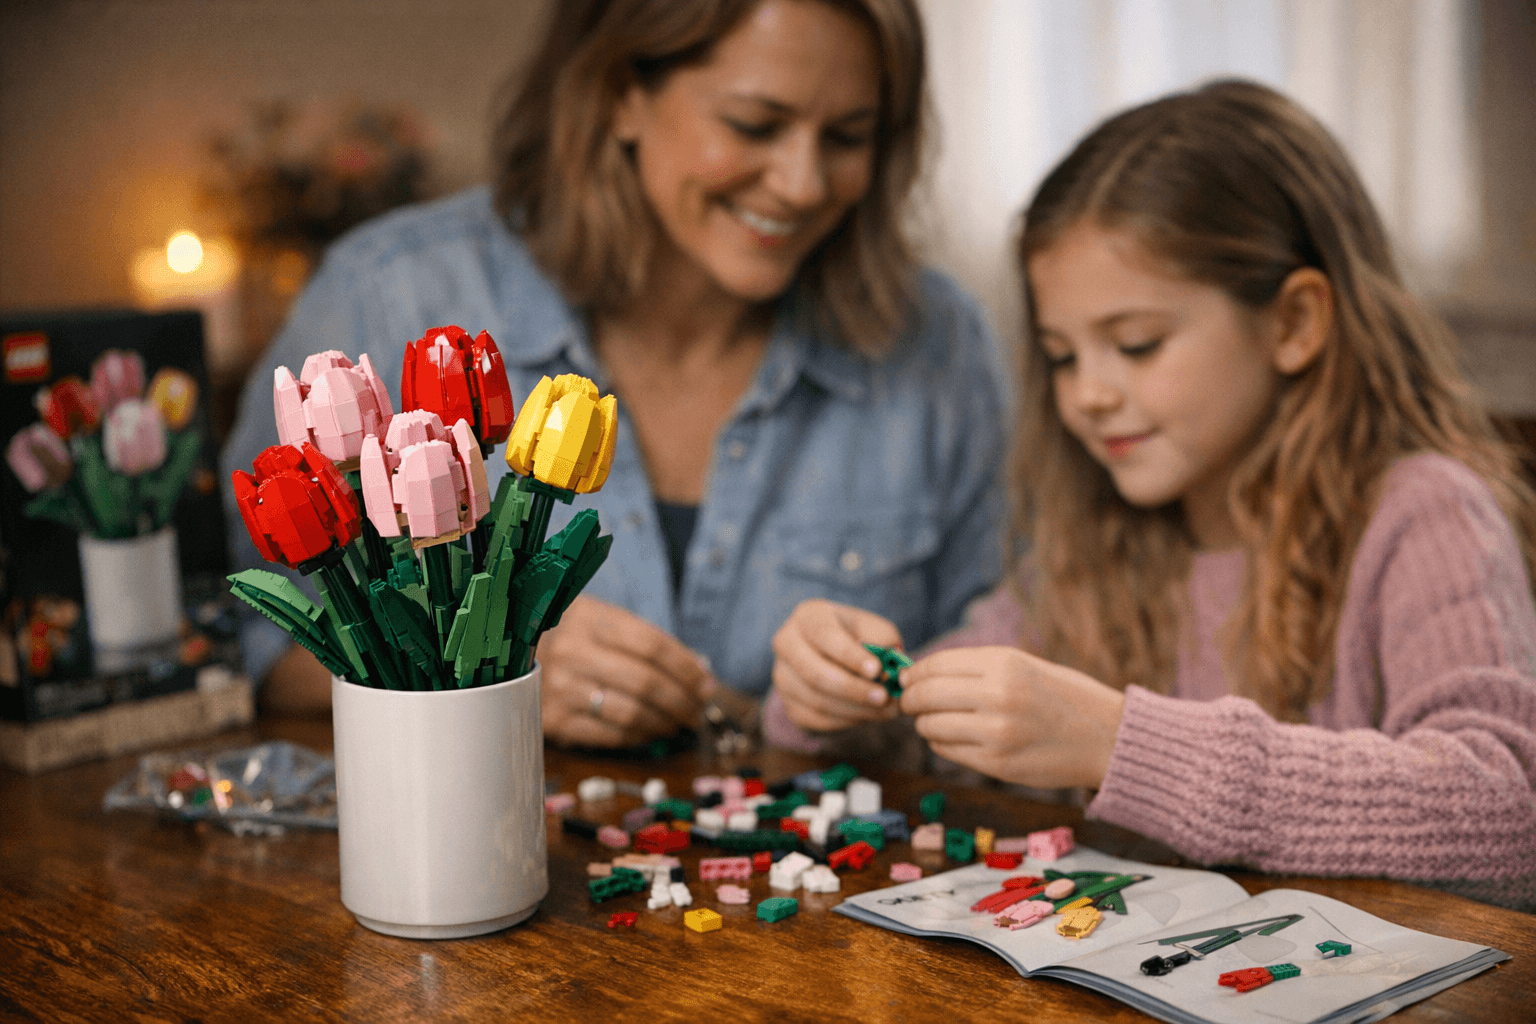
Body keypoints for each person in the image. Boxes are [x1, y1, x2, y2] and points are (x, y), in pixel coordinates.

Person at [767, 79, 1536, 910]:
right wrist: (828, 696)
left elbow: (1505, 813)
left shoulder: (1424, 514)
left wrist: (1115, 743)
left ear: (1293, 324)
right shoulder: (1092, 546)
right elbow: (919, 738)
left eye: (1136, 345)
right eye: (1063, 357)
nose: (1089, 394)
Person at [221, 0, 1007, 749]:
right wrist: (480, 673)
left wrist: (854, 705)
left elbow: (1001, 651)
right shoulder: (390, 295)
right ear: (622, 93)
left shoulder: (937, 346)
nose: (803, 183)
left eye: (848, 137)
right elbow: (236, 646)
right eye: (753, 125)